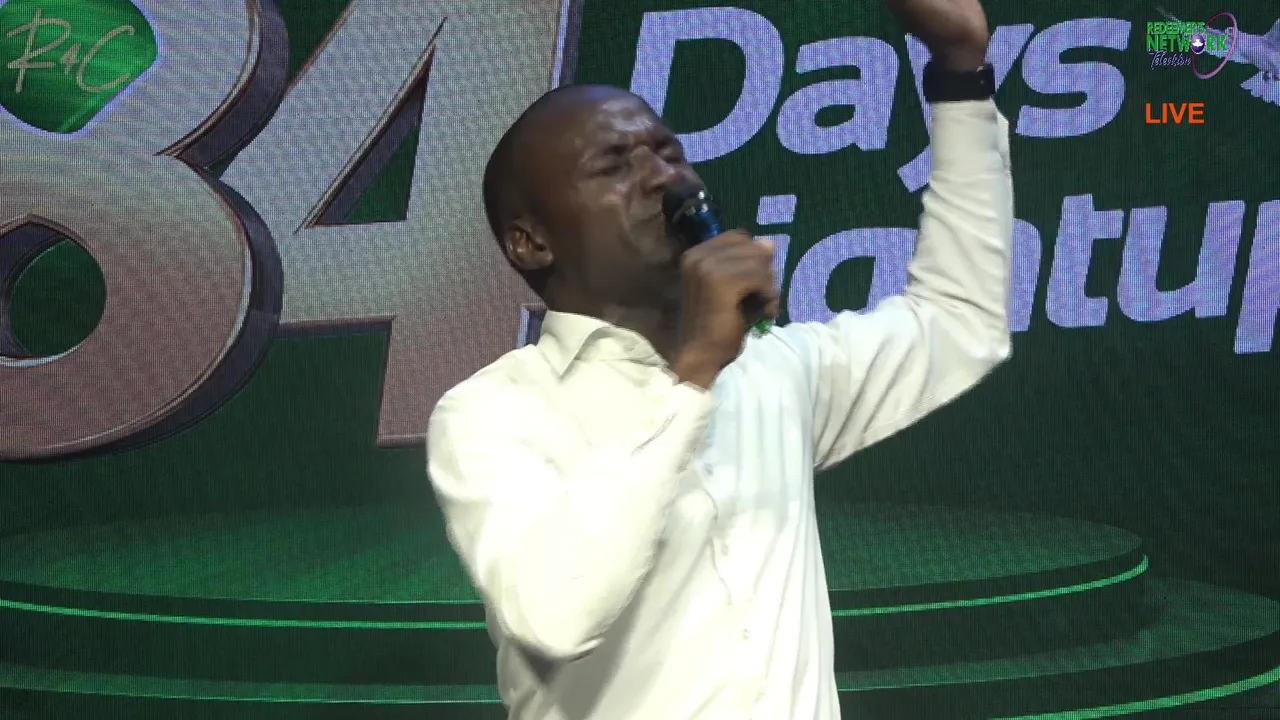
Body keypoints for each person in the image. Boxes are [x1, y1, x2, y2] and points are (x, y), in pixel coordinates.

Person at [426, 1, 1012, 717]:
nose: (666, 179)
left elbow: (960, 319)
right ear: (531, 242)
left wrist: (961, 71)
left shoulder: (775, 372)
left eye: (670, 154)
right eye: (614, 164)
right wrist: (694, 371)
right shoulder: (492, 413)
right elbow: (554, 614)